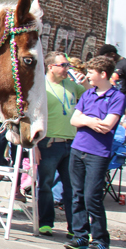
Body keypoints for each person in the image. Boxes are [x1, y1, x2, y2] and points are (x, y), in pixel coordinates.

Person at [65, 55, 125, 249]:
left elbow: (107, 125)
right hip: (78, 148)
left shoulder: (117, 97)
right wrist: (92, 122)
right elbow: (74, 119)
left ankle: (100, 240)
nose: (87, 75)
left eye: (91, 72)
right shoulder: (88, 94)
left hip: (98, 153)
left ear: (103, 74)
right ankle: (80, 235)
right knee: (77, 194)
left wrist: (85, 119)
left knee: (93, 197)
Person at [37, 51, 85, 238]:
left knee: (72, 187)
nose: (67, 68)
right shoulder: (40, 85)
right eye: (63, 65)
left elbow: (90, 94)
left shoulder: (72, 85)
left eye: (67, 65)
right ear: (51, 67)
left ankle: (75, 227)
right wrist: (34, 147)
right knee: (46, 185)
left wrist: (85, 81)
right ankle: (46, 223)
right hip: (49, 142)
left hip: (72, 142)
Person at [98, 44, 126, 121]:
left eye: (106, 57)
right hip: (108, 101)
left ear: (113, 54)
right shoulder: (110, 65)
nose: (105, 60)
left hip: (122, 103)